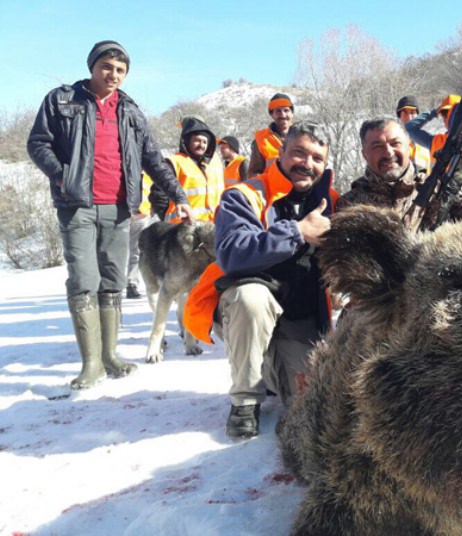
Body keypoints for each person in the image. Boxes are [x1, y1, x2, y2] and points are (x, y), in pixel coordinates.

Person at [26, 40, 193, 390]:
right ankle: (91, 364)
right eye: (106, 67)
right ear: (92, 67)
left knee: (114, 280)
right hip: (77, 206)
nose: (113, 74)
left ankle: (111, 356)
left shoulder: (130, 110)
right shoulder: (62, 100)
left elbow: (152, 158)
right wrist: (61, 175)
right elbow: (37, 142)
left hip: (119, 209)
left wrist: (177, 194)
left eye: (120, 69)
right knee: (84, 279)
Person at [183, 122, 339, 439]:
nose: (307, 164)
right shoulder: (245, 195)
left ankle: (268, 373)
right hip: (248, 309)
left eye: (317, 158)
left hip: (300, 318)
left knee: (313, 403)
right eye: (298, 153)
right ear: (280, 154)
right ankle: (244, 401)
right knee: (250, 298)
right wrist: (297, 232)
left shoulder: (332, 201)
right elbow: (232, 255)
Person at [337, 117, 462, 230]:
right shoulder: (349, 206)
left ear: (409, 146)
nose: (388, 152)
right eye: (377, 146)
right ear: (364, 154)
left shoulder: (440, 190)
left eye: (395, 143)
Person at [162, 116, 224, 223]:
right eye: (197, 141)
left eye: (205, 142)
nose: (201, 145)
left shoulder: (212, 163)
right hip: (181, 229)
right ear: (187, 141)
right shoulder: (174, 162)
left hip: (211, 226)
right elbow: (159, 196)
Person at [247, 92, 295, 178]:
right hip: (273, 190)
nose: (283, 115)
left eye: (286, 110)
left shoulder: (304, 136)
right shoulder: (261, 139)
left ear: (292, 113)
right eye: (278, 111)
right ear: (272, 115)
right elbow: (253, 174)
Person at [125, 172, 155, 299]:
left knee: (136, 251)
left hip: (141, 215)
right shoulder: (124, 167)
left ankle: (132, 284)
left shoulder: (149, 172)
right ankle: (109, 285)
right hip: (120, 214)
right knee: (114, 251)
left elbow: (154, 192)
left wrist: (153, 207)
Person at [406, 94, 461, 163]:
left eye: (452, 113)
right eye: (444, 114)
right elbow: (410, 128)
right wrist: (434, 113)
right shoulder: (438, 142)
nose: (447, 118)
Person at [396, 95, 431, 172]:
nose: (409, 117)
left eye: (412, 112)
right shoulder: (392, 142)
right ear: (399, 116)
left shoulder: (427, 140)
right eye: (405, 113)